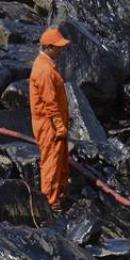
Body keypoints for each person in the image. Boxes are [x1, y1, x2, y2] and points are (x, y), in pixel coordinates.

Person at [29, 28, 70, 214]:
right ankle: (50, 201)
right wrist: (59, 125)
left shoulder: (47, 65)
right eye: (58, 47)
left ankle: (58, 194)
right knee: (51, 162)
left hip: (52, 122)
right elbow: (50, 103)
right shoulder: (45, 70)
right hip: (48, 124)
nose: (61, 50)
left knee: (58, 159)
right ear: (48, 47)